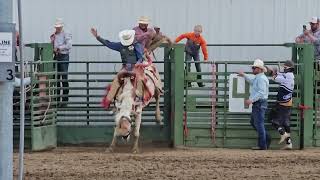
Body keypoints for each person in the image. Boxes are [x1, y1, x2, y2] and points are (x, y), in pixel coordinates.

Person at [90, 28, 144, 110]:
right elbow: (108, 43)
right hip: (125, 67)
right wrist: (98, 37)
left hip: (135, 67)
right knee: (116, 81)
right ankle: (109, 100)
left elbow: (140, 57)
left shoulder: (137, 45)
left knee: (139, 79)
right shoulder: (120, 45)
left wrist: (138, 63)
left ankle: (140, 98)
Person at [238, 59, 270, 150]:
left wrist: (251, 100)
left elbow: (261, 92)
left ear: (259, 69)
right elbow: (252, 81)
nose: (252, 69)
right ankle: (266, 139)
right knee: (256, 123)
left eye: (254, 68)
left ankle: (262, 145)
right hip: (259, 103)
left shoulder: (261, 79)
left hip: (259, 103)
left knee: (258, 124)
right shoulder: (259, 78)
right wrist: (244, 75)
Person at [266, 61, 295, 150]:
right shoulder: (290, 75)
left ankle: (283, 134)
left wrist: (272, 72)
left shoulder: (288, 77)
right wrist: (275, 72)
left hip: (282, 104)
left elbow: (276, 78)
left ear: (288, 68)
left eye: (285, 67)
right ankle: (289, 143)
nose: (283, 69)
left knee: (272, 119)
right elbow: (281, 75)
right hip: (287, 103)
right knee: (286, 123)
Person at [50, 18, 72, 106]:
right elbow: (53, 45)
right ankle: (58, 100)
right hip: (57, 56)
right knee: (57, 78)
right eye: (56, 27)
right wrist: (52, 43)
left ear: (61, 26)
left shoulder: (66, 33)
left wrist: (59, 48)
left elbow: (69, 45)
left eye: (58, 27)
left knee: (63, 77)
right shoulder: (55, 35)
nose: (57, 28)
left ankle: (64, 100)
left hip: (63, 56)